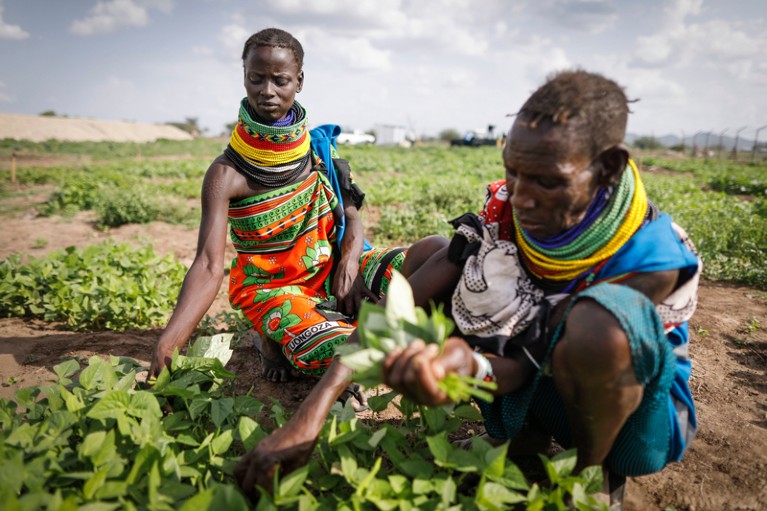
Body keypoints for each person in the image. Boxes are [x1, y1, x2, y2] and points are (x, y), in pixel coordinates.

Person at [234, 70, 701, 508]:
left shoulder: (651, 256)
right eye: (513, 172)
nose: (521, 196)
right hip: (537, 378)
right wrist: (308, 418)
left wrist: (472, 363)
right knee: (444, 264)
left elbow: (563, 348)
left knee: (598, 323)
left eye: (548, 181)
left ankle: (590, 478)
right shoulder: (505, 219)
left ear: (609, 169)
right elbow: (408, 306)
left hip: (635, 423)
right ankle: (519, 444)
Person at [149, 28, 440, 407]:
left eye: (280, 80)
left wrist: (349, 263)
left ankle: (339, 324)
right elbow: (207, 265)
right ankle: (288, 334)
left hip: (334, 270)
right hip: (275, 289)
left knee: (434, 258)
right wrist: (169, 342)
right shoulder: (226, 175)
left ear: (298, 82)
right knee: (337, 346)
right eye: (256, 79)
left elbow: (350, 218)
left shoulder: (318, 150)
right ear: (244, 78)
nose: (266, 90)